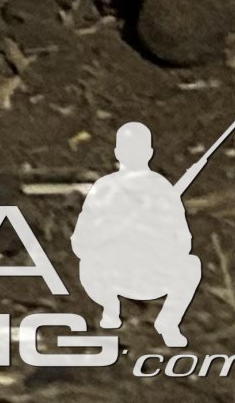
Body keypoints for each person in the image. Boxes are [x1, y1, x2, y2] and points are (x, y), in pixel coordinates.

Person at [71, 121, 204, 347]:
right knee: (89, 263)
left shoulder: (161, 189)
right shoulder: (104, 189)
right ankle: (111, 310)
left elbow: (183, 241)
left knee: (191, 265)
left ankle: (168, 321)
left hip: (152, 273)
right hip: (113, 273)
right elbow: (81, 243)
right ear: (117, 153)